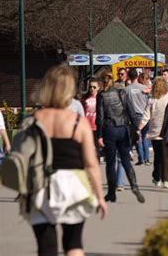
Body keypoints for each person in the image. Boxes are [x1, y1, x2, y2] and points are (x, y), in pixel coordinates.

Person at [30, 65, 107, 256]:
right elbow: (91, 163)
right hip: (74, 186)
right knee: (74, 243)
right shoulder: (77, 122)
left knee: (46, 246)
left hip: (42, 186)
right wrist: (100, 196)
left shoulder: (35, 119)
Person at [96, 71, 145, 203]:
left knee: (111, 162)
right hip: (123, 129)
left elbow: (100, 118)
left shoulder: (101, 95)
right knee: (125, 160)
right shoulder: (121, 92)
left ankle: (111, 192)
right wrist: (137, 129)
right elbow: (131, 112)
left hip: (109, 129)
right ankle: (134, 187)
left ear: (102, 81)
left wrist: (99, 135)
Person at [138, 77, 168, 189]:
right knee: (166, 156)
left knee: (158, 157)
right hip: (167, 132)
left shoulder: (152, 100)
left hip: (154, 132)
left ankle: (157, 177)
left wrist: (139, 128)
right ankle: (166, 179)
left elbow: (146, 116)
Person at [125, 68, 150, 165]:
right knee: (145, 137)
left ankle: (141, 158)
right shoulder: (144, 88)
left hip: (133, 116)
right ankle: (147, 158)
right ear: (137, 76)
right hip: (145, 115)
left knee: (137, 138)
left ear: (129, 77)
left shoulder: (126, 90)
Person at [81, 78, 100, 158]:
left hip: (97, 126)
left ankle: (96, 164)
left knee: (96, 148)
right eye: (90, 87)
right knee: (88, 148)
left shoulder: (100, 98)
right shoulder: (85, 98)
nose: (92, 89)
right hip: (87, 126)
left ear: (98, 88)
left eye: (94, 87)